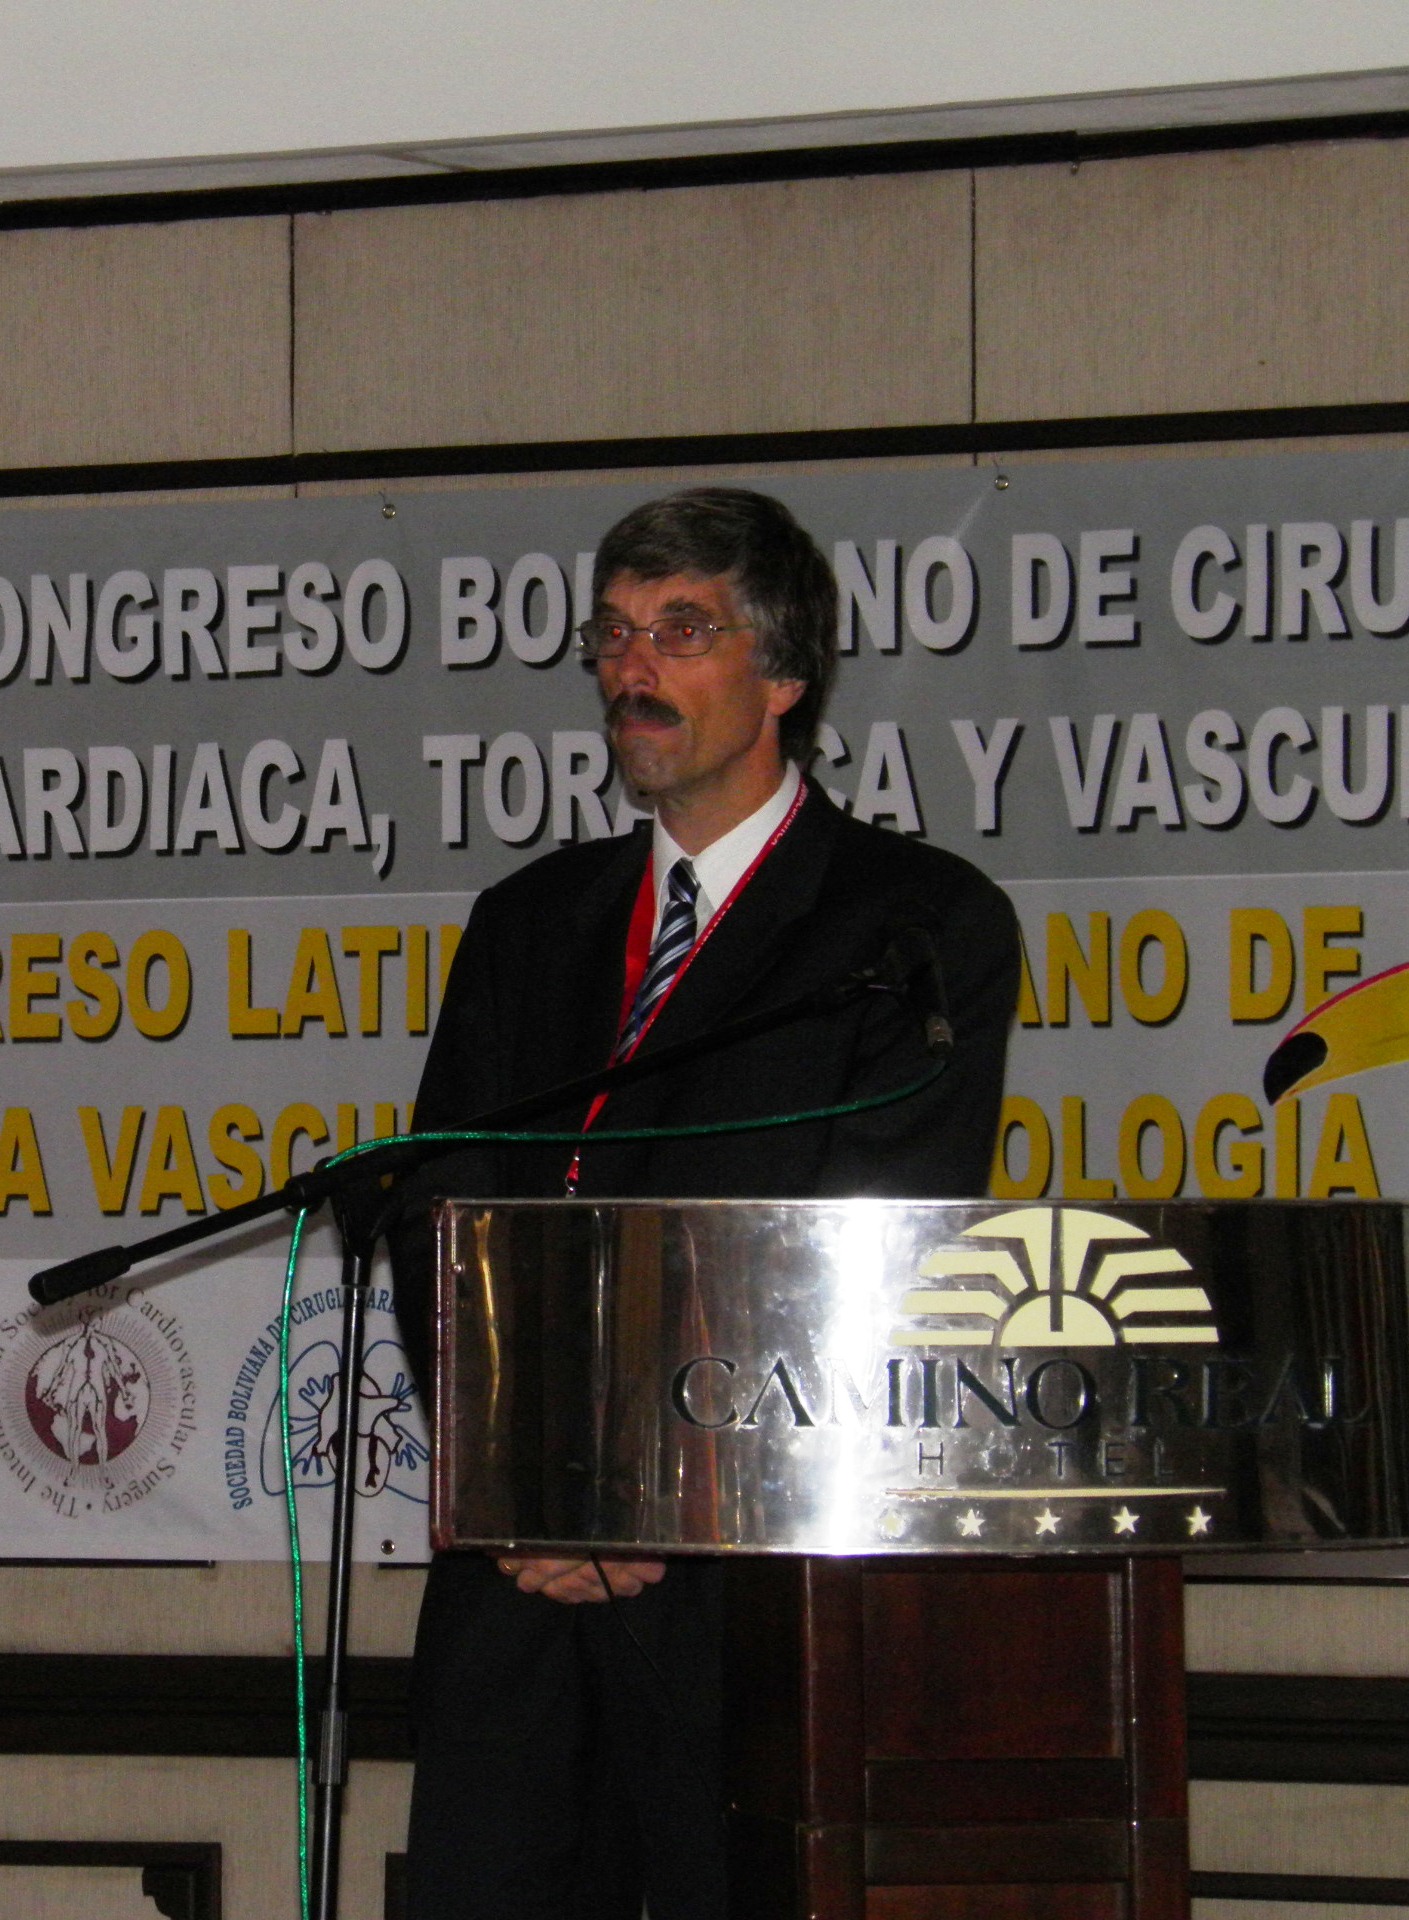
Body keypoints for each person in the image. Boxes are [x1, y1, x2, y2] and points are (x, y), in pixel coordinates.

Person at [391, 486, 1020, 1920]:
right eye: (613, 635)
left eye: (681, 631)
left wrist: (655, 1505)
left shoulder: (913, 924)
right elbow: (440, 1211)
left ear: (785, 673)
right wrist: (523, 1495)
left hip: (742, 1592)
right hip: (516, 1587)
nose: (633, 668)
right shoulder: (528, 921)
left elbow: (869, 1256)